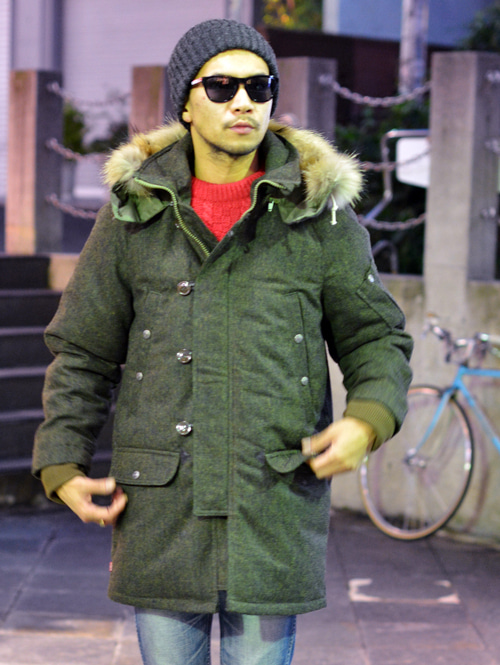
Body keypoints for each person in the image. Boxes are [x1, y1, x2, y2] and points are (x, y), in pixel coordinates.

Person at [33, 18, 413, 665]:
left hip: (271, 503)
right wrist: (60, 463)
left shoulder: (316, 213)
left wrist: (368, 419)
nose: (244, 101)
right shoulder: (135, 212)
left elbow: (376, 335)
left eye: (259, 87)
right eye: (222, 86)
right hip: (162, 508)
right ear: (186, 102)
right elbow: (84, 351)